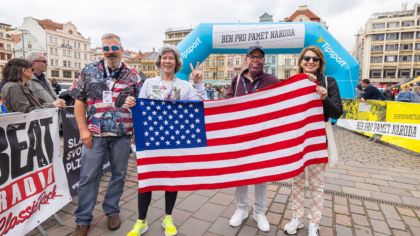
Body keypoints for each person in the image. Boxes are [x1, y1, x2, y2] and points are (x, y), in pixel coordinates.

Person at [124, 45, 206, 236]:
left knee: (171, 179)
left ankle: (168, 217)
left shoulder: (184, 86)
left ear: (177, 63)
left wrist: (199, 83)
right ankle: (141, 221)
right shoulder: (149, 83)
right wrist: (131, 105)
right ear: (159, 62)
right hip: (151, 141)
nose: (167, 61)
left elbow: (201, 105)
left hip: (174, 141)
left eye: (171, 58)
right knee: (147, 178)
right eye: (164, 58)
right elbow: (139, 109)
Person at [71, 33, 141, 236]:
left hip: (122, 134)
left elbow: (141, 104)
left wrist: (135, 111)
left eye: (114, 48)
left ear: (121, 48)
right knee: (88, 177)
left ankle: (112, 211)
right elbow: (79, 102)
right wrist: (83, 129)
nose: (110, 52)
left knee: (119, 175)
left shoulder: (133, 74)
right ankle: (83, 219)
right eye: (106, 48)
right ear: (101, 50)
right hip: (95, 133)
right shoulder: (89, 70)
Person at [283, 46, 342, 236]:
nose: (310, 62)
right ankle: (297, 218)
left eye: (315, 59)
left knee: (317, 184)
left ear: (320, 63)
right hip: (298, 138)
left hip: (318, 139)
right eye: (307, 58)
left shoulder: (328, 81)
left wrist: (324, 97)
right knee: (297, 182)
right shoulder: (292, 83)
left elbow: (337, 112)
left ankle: (314, 223)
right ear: (300, 61)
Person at [226, 45, 278, 232]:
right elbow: (228, 103)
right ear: (246, 59)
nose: (257, 60)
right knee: (240, 173)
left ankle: (259, 211)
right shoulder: (237, 79)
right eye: (253, 56)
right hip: (241, 135)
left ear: (263, 60)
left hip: (263, 135)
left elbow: (281, 102)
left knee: (261, 175)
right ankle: (241, 209)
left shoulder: (271, 80)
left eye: (260, 57)